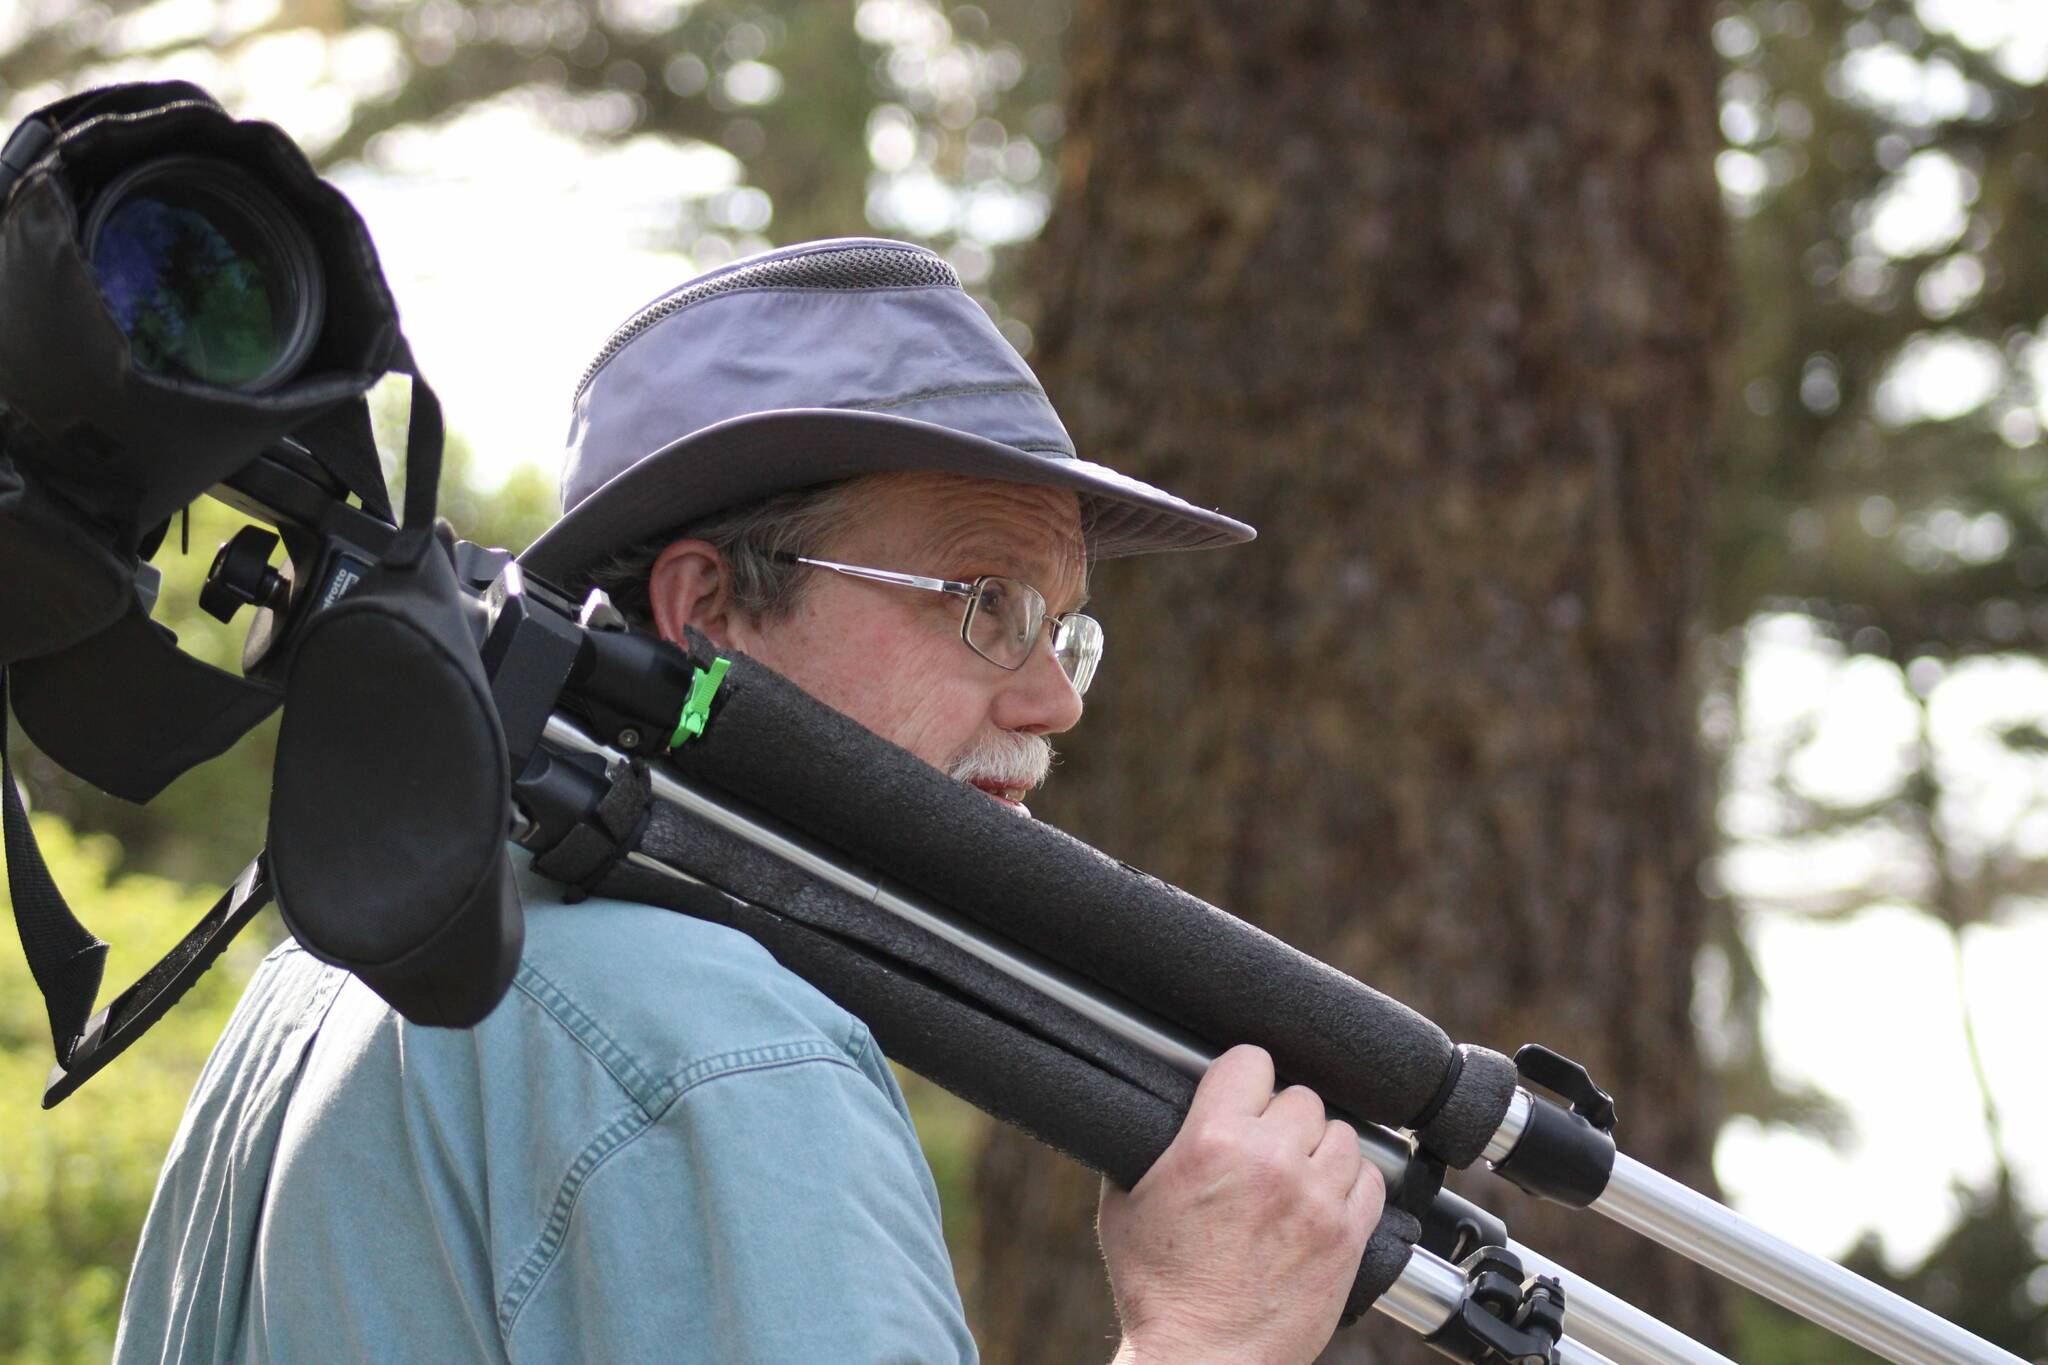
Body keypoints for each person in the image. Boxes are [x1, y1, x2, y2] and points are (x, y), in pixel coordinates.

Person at [115, 238, 1382, 1363]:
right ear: (705, 611)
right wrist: (1213, 1333)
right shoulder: (712, 1040)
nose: (1054, 701)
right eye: (982, 600)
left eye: (1065, 629)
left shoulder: (344, 969)